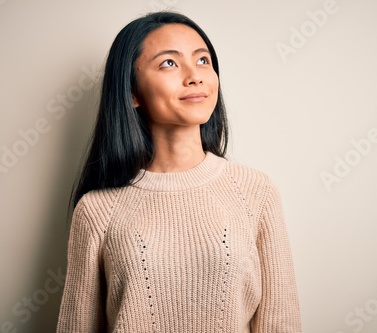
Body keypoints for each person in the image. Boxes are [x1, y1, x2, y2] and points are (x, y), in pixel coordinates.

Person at [56, 11, 301, 333]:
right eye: (169, 63)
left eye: (203, 61)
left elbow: (280, 322)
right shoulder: (97, 209)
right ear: (131, 92)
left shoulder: (256, 190)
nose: (195, 76)